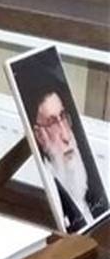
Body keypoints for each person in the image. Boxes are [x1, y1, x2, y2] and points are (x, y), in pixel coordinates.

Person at [18, 66, 109, 233]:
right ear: (39, 135)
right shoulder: (48, 193)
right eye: (52, 123)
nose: (66, 136)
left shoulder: (89, 187)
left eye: (63, 117)